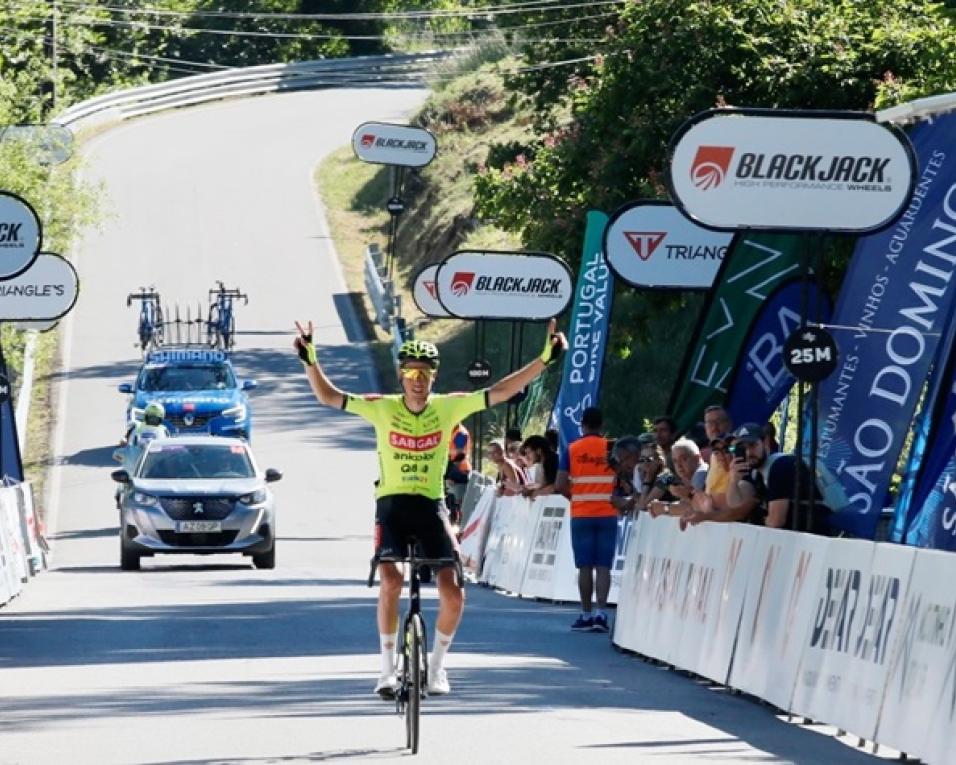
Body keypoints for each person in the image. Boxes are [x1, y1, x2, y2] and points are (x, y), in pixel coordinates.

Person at [293, 318, 567, 698]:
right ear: (401, 377)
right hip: (391, 505)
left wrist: (544, 359)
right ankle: (386, 670)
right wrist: (310, 360)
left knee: (454, 593)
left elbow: (501, 390)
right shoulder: (382, 408)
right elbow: (329, 396)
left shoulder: (449, 407)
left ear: (433, 377)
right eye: (411, 373)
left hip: (430, 505)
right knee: (391, 580)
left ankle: (437, 666)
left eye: (425, 374)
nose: (418, 380)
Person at [555, 407, 618, 633]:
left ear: (583, 425)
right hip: (608, 513)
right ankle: (601, 613)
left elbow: (560, 484)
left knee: (584, 566)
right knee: (603, 566)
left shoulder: (572, 449)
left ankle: (586, 613)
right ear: (602, 426)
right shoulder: (612, 448)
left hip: (582, 514)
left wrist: (578, 497)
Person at [726, 422, 832, 533]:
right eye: (742, 449)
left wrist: (760, 522)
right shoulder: (755, 471)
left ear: (765, 442)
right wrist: (733, 480)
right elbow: (735, 503)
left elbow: (776, 521)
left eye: (752, 445)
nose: (748, 453)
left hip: (814, 534)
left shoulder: (780, 466)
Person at [647, 437, 708, 519]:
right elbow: (685, 504)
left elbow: (694, 509)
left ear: (697, 458)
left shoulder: (700, 473)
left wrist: (663, 508)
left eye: (683, 459)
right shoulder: (691, 478)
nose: (679, 465)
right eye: (675, 461)